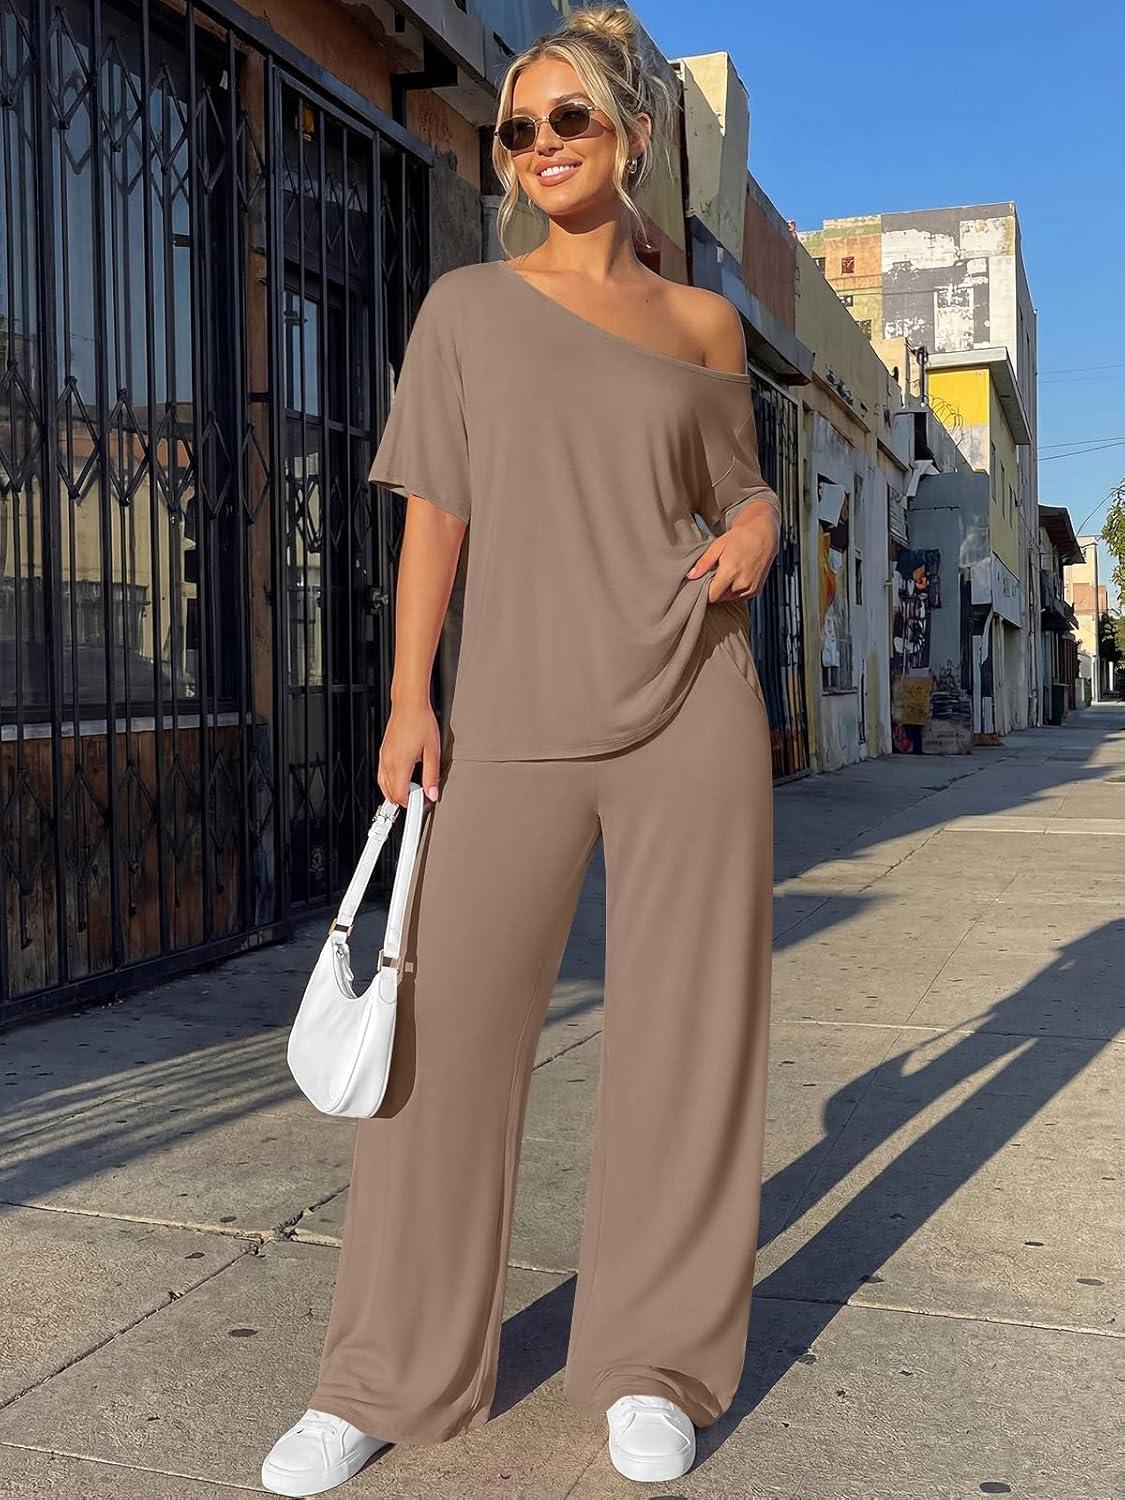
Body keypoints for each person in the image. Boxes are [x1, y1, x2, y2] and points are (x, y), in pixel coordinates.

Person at [261, 5, 780, 1493]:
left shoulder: (702, 327)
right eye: (519, 129)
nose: (541, 144)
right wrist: (408, 697)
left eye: (570, 121)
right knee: (439, 1041)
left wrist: (756, 524)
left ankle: (653, 1363)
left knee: (688, 1041)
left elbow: (736, 486)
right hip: (509, 714)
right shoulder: (468, 311)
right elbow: (438, 513)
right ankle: (383, 1374)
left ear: (632, 140)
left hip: (691, 698)